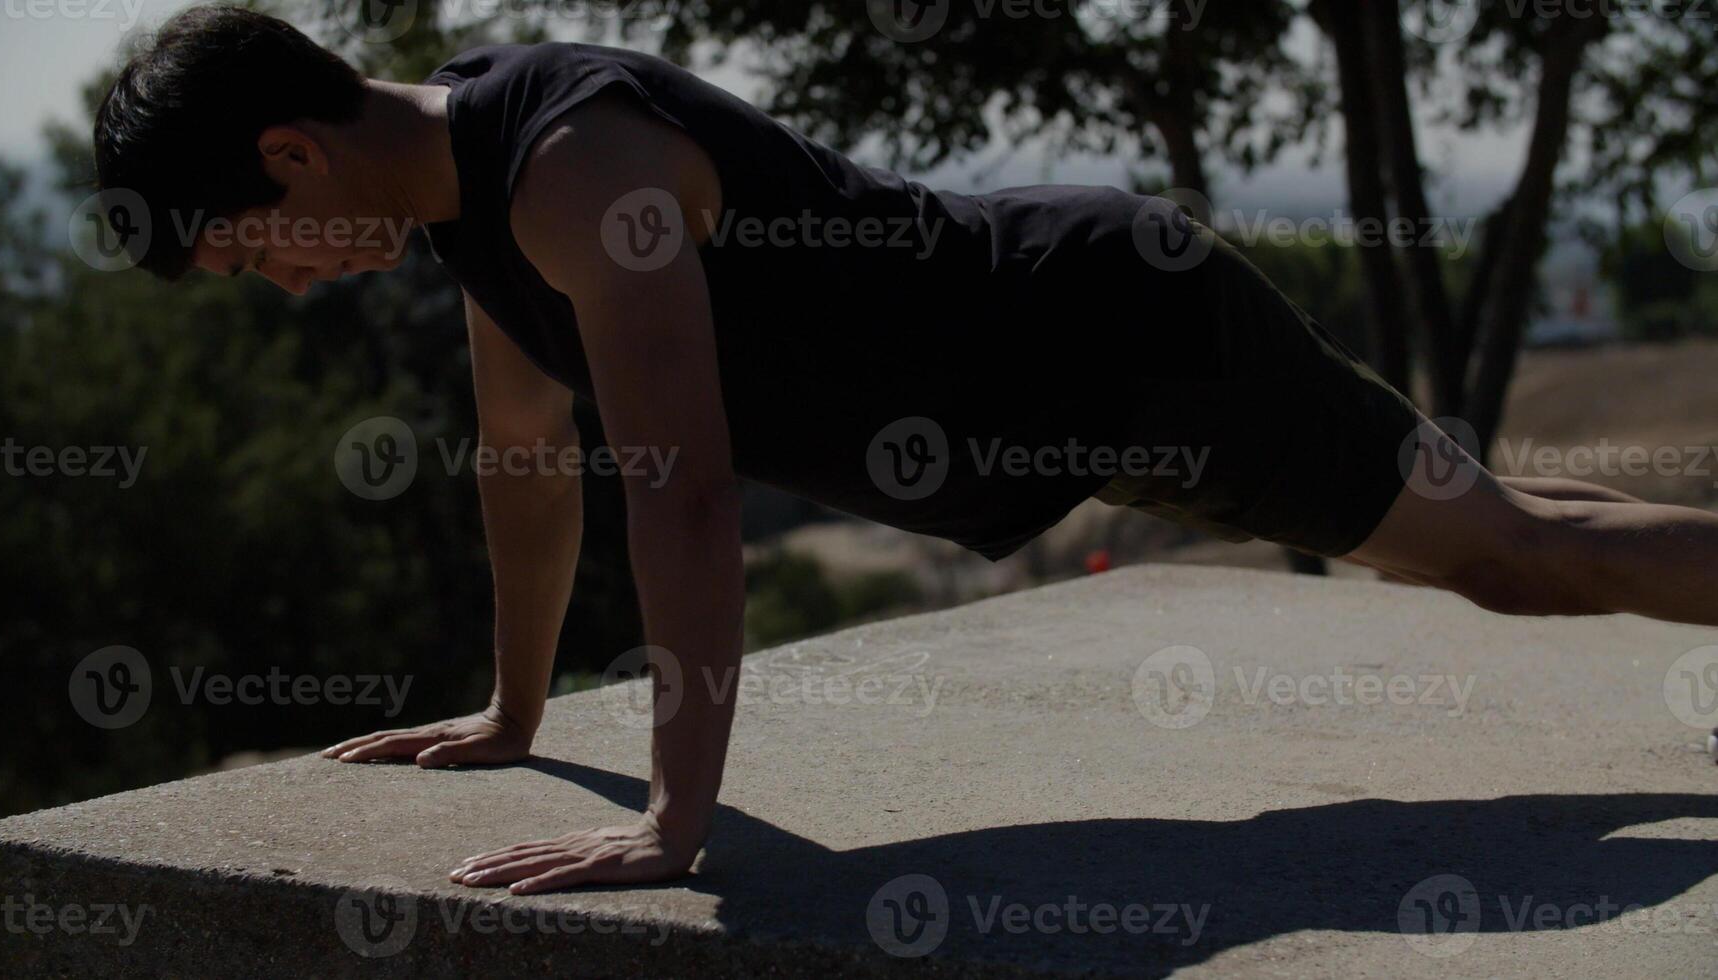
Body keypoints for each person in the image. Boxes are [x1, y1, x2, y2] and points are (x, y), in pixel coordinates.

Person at [91, 5, 1718, 894]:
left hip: (1117, 348)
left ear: (293, 152)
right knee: (1517, 529)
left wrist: (676, 820)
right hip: (1065, 386)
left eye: (251, 250)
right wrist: (514, 716)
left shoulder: (573, 169)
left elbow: (684, 486)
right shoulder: (472, 202)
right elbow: (523, 455)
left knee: (1513, 564)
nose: (279, 284)